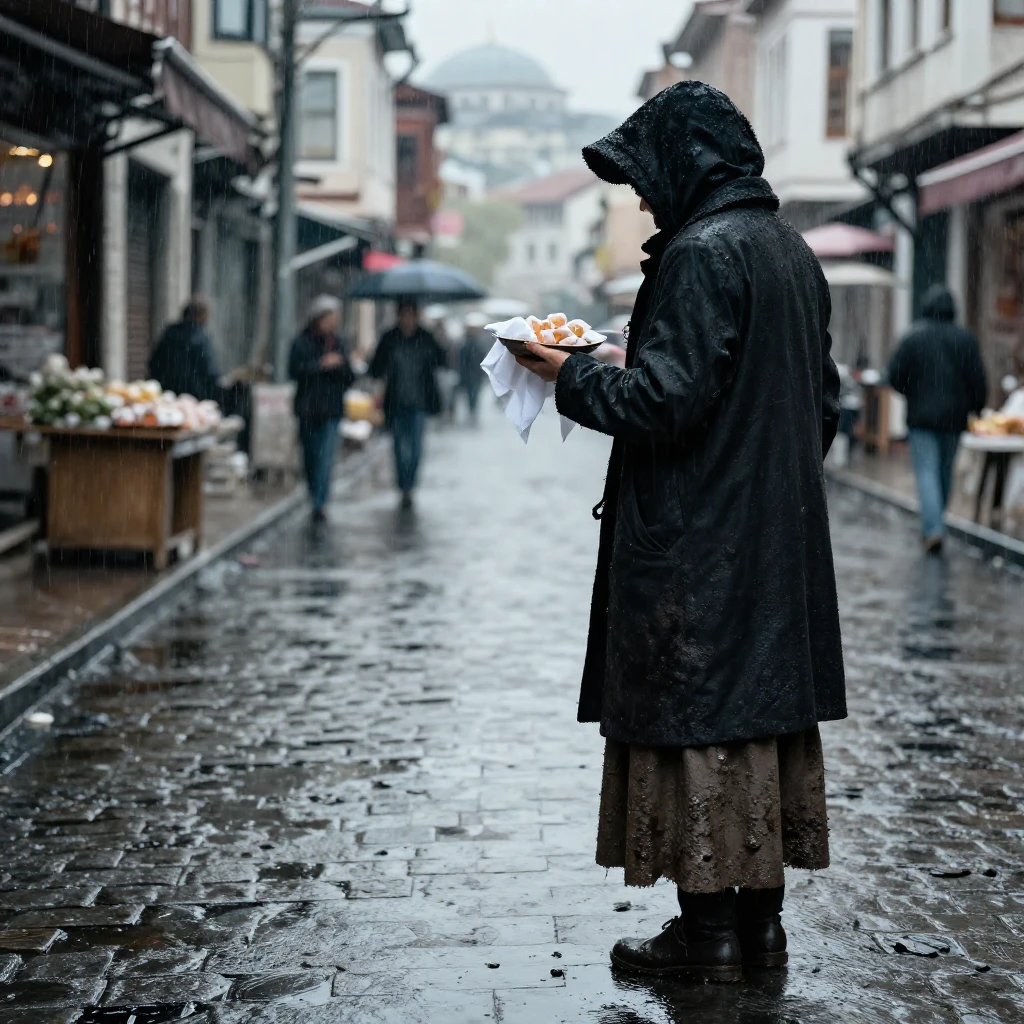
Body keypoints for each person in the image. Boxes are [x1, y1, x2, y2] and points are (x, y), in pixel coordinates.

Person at [514, 82, 846, 983]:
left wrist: (572, 374)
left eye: (646, 179)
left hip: (701, 550)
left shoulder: (701, 253)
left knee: (702, 730)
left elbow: (664, 403)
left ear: (685, 162)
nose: (643, 199)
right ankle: (760, 936)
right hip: (776, 543)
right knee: (761, 729)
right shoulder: (789, 251)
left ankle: (707, 941)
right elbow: (822, 408)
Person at [888, 284, 987, 553]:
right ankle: (935, 525)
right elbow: (978, 379)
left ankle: (933, 529)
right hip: (954, 419)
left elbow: (894, 375)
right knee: (943, 472)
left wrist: (912, 393)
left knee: (926, 472)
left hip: (921, 419)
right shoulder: (965, 339)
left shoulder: (913, 338)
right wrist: (977, 407)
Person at [369, 299, 445, 507]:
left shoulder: (426, 337)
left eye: (412, 315)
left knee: (416, 448)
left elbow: (442, 361)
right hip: (395, 402)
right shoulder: (389, 338)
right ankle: (403, 486)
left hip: (420, 401)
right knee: (399, 447)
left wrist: (439, 339)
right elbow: (375, 368)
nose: (408, 319)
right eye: (405, 315)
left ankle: (410, 486)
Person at [288, 295, 354, 523]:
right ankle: (313, 493)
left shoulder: (339, 343)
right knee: (310, 457)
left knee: (325, 456)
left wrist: (339, 366)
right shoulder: (302, 342)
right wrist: (320, 366)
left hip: (331, 409)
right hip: (308, 409)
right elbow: (294, 370)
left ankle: (320, 501)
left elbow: (349, 377)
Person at [149, 296, 222, 401]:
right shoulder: (199, 337)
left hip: (165, 397)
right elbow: (210, 370)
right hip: (193, 399)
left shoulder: (169, 333)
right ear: (201, 316)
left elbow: (153, 363)